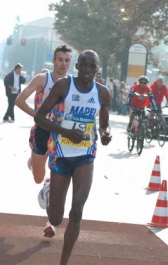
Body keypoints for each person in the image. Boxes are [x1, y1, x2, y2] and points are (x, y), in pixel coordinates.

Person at [34, 50, 112, 265]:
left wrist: (105, 134)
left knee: (77, 211)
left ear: (97, 69)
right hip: (61, 154)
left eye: (92, 66)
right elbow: (40, 117)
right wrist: (66, 132)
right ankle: (49, 192)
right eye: (84, 65)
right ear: (77, 66)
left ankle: (63, 263)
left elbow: (104, 123)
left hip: (85, 155)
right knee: (56, 219)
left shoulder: (102, 93)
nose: (87, 70)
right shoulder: (64, 86)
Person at [15, 45, 72, 201]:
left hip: (61, 133)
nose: (63, 63)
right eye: (60, 60)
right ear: (53, 61)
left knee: (62, 171)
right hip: (42, 131)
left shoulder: (72, 83)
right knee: (38, 178)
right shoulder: (43, 79)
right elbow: (19, 101)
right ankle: (33, 161)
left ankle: (51, 185)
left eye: (67, 60)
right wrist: (39, 116)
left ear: (70, 62)